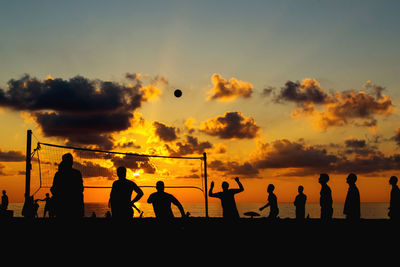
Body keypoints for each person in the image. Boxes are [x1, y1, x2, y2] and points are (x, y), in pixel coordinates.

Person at [50, 153, 84, 219]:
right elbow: (81, 189)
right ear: (71, 162)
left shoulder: (58, 174)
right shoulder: (77, 173)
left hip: (62, 208)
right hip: (76, 208)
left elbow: (54, 190)